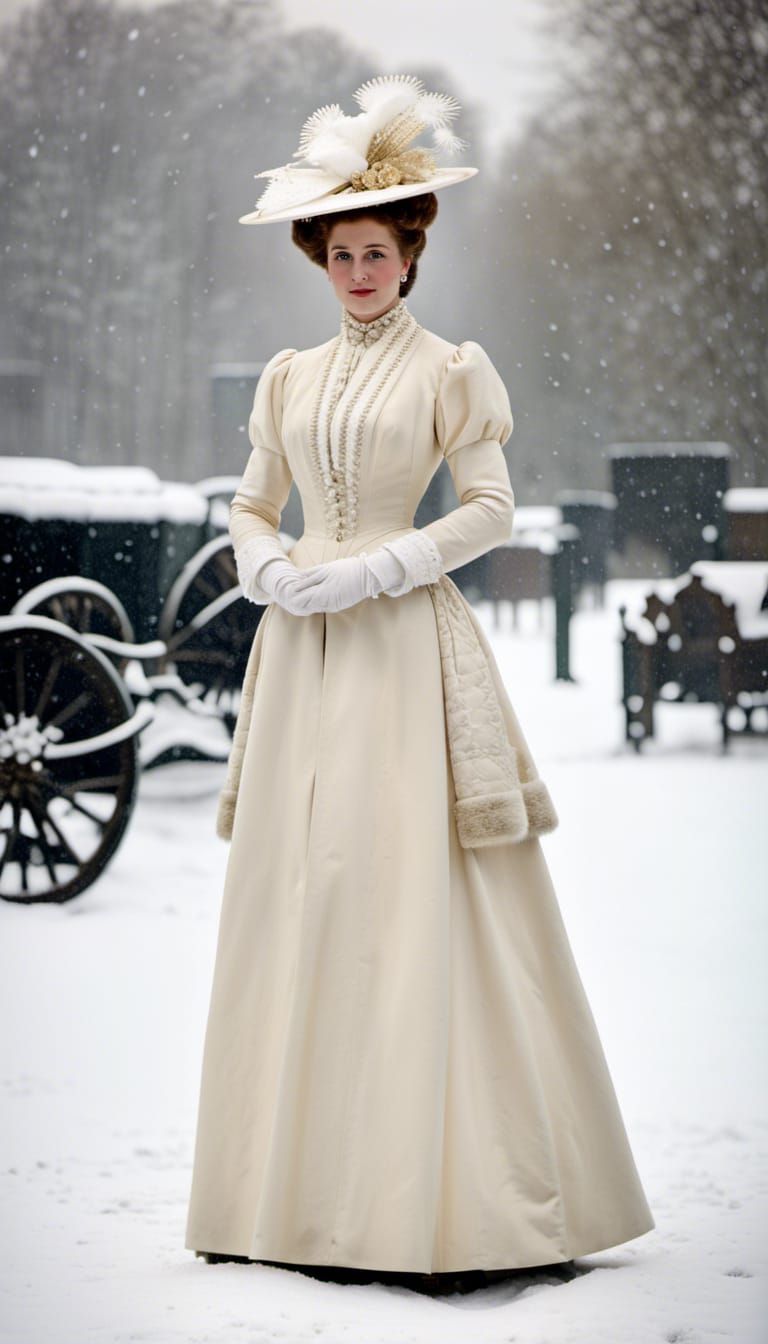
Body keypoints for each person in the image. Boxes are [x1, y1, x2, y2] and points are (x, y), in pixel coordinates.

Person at [184, 75, 655, 1293]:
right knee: (303, 895)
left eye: (375, 252)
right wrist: (266, 563)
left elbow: (494, 511)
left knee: (404, 897)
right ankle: (283, 1195)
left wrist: (384, 564)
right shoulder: (287, 377)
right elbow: (250, 498)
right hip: (301, 655)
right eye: (339, 253)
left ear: (409, 254)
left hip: (402, 649)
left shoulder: (452, 368)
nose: (356, 271)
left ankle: (440, 1203)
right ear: (320, 259)